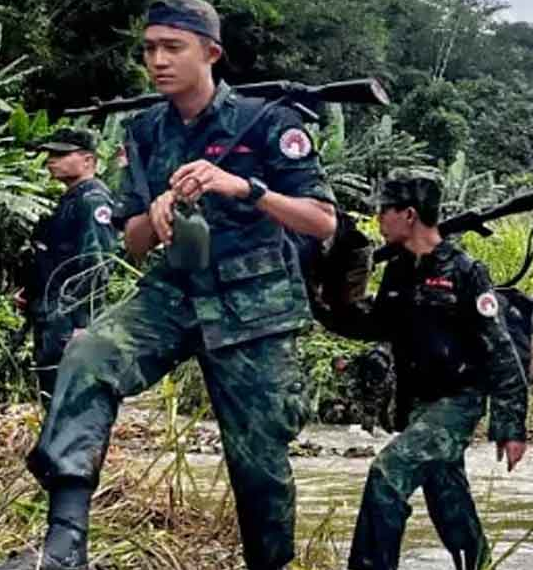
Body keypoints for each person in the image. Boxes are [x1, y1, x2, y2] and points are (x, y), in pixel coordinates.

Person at [13, 2, 338, 569]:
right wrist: (156, 212)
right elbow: (132, 240)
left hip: (253, 305)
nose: (157, 60)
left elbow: (322, 220)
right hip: (173, 292)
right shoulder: (144, 132)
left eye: (173, 47)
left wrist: (243, 187)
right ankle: (65, 543)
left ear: (210, 53)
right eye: (149, 48)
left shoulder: (269, 122)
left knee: (258, 464)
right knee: (91, 352)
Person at [323, 173, 529, 570]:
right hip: (419, 403)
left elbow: (501, 351)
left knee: (387, 475)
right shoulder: (400, 270)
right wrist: (330, 304)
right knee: (448, 501)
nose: (378, 218)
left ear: (409, 215)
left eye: (385, 210)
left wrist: (511, 426)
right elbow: (377, 325)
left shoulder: (466, 272)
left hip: (458, 402)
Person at [11, 128, 117, 407]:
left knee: (68, 395)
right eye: (50, 154)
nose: (51, 160)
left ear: (88, 160)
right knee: (52, 389)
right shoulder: (70, 199)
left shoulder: (91, 200)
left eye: (61, 154)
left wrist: (83, 323)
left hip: (68, 318)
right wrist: (30, 291)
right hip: (52, 312)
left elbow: (96, 263)